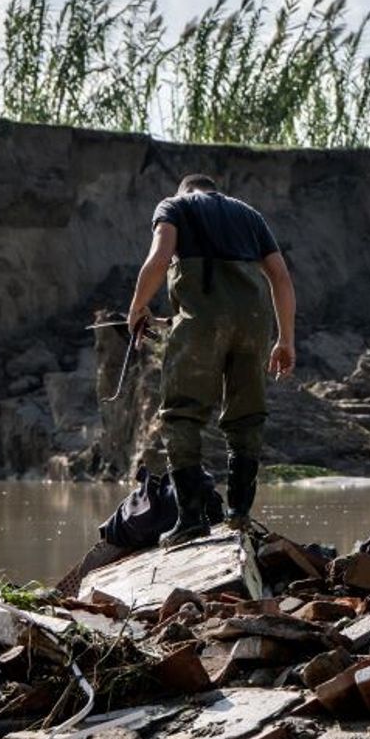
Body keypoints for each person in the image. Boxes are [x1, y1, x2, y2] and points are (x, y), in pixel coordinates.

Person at [126, 173, 297, 545]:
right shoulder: (249, 215)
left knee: (182, 413)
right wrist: (286, 340)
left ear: (184, 190)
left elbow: (158, 259)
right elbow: (280, 278)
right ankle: (239, 514)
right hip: (254, 324)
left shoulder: (174, 207)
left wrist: (137, 307)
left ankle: (190, 519)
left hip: (202, 325)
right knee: (246, 414)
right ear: (214, 189)